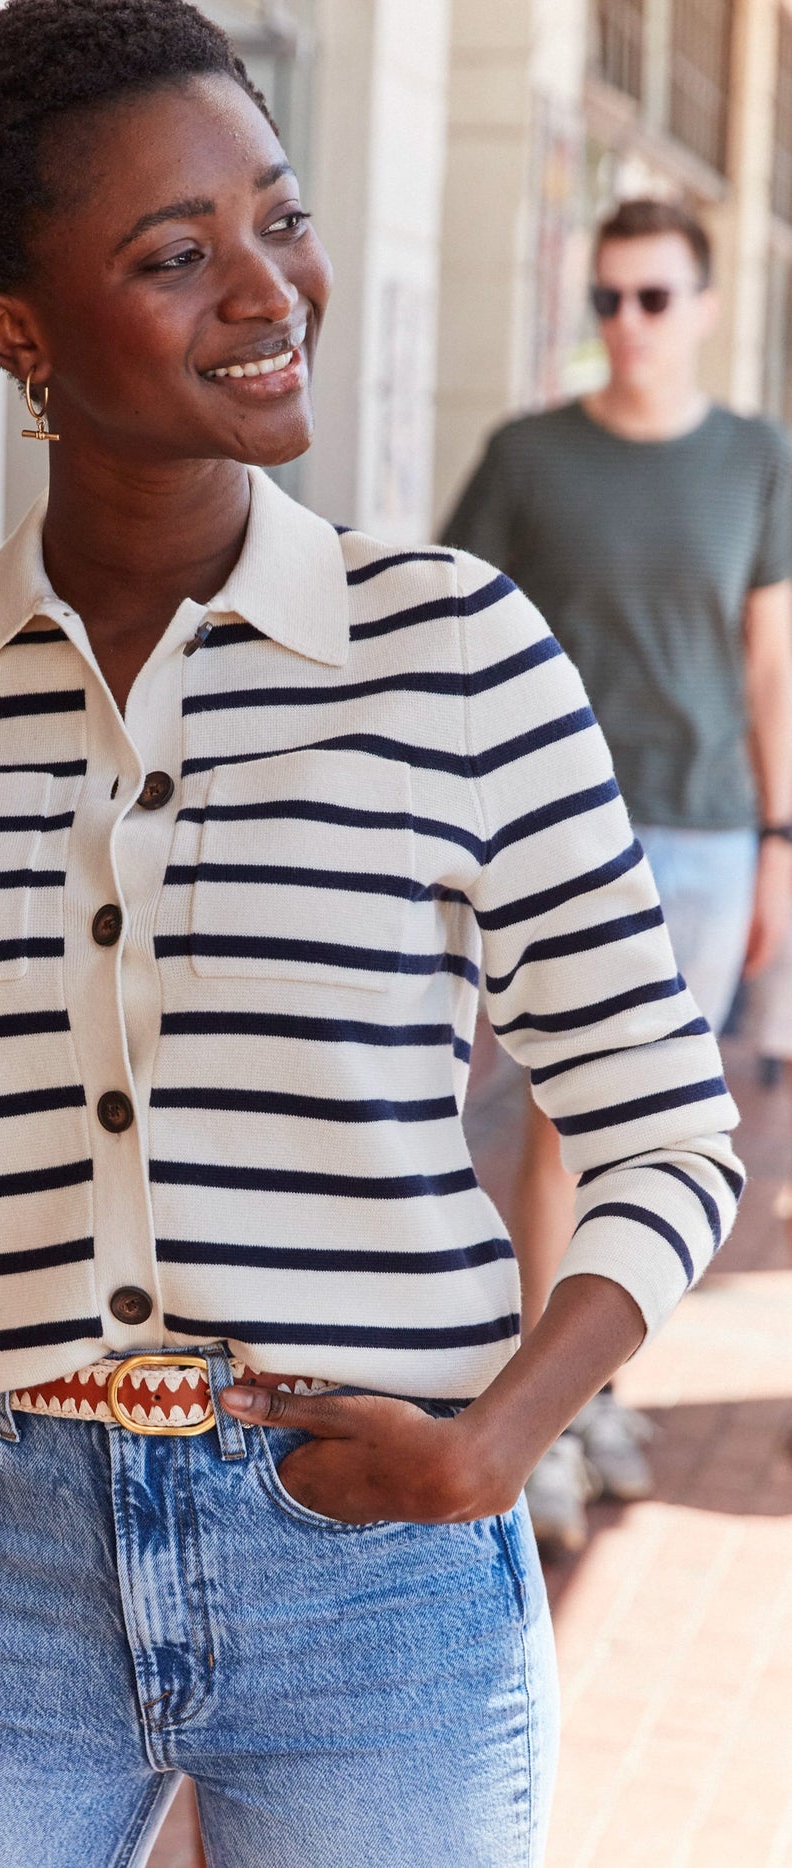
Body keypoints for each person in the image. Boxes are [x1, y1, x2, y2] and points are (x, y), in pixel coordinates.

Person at [0, 8, 742, 1860]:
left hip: (377, 1571)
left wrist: (505, 1440)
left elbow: (668, 1127)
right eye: (175, 256)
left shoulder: (457, 655)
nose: (269, 290)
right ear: (10, 329)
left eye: (277, 218)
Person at [444, 197, 792, 1554]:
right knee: (548, 1118)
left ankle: (597, 1391)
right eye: (604, 300)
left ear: (701, 307)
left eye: (651, 299)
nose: (626, 326)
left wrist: (780, 843)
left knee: (655, 1129)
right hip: (548, 833)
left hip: (707, 832)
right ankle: (549, 1407)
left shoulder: (755, 461)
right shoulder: (526, 460)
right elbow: (445, 631)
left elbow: (769, 667)